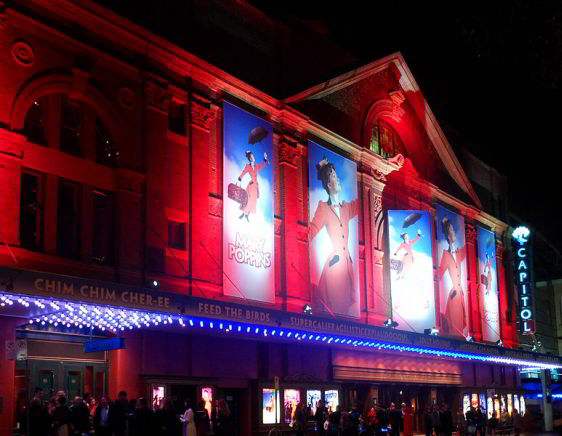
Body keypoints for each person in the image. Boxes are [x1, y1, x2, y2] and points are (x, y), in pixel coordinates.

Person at [309, 157, 360, 317]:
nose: (338, 179)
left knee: (345, 314)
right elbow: (311, 231)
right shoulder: (324, 208)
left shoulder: (347, 207)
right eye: (333, 176)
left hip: (347, 266)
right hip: (334, 269)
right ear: (329, 184)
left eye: (337, 175)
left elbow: (363, 203)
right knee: (335, 313)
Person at [436, 216, 468, 336]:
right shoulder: (446, 255)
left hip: (460, 295)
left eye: (454, 230)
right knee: (455, 331)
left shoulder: (460, 252)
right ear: (449, 236)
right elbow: (439, 273)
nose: (454, 232)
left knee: (459, 330)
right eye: (452, 230)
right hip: (454, 295)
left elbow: (469, 249)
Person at [237, 150, 269, 222]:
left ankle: (247, 214)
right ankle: (244, 213)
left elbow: (262, 165)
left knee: (253, 201)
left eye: (253, 156)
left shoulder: (256, 166)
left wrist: (265, 159)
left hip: (255, 186)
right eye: (251, 157)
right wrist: (240, 178)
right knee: (248, 199)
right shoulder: (248, 166)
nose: (253, 157)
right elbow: (244, 172)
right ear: (249, 158)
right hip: (251, 185)